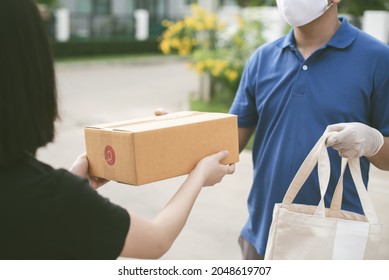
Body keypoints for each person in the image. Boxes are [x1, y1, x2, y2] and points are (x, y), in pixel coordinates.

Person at [0, 0, 235, 260]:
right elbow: (155, 240)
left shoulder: (48, 195)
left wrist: (72, 185)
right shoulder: (50, 196)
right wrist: (199, 175)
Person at [229, 0, 389, 259]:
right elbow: (227, 145)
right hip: (261, 237)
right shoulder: (262, 59)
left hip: (332, 243)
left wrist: (373, 142)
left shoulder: (379, 59)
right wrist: (183, 131)